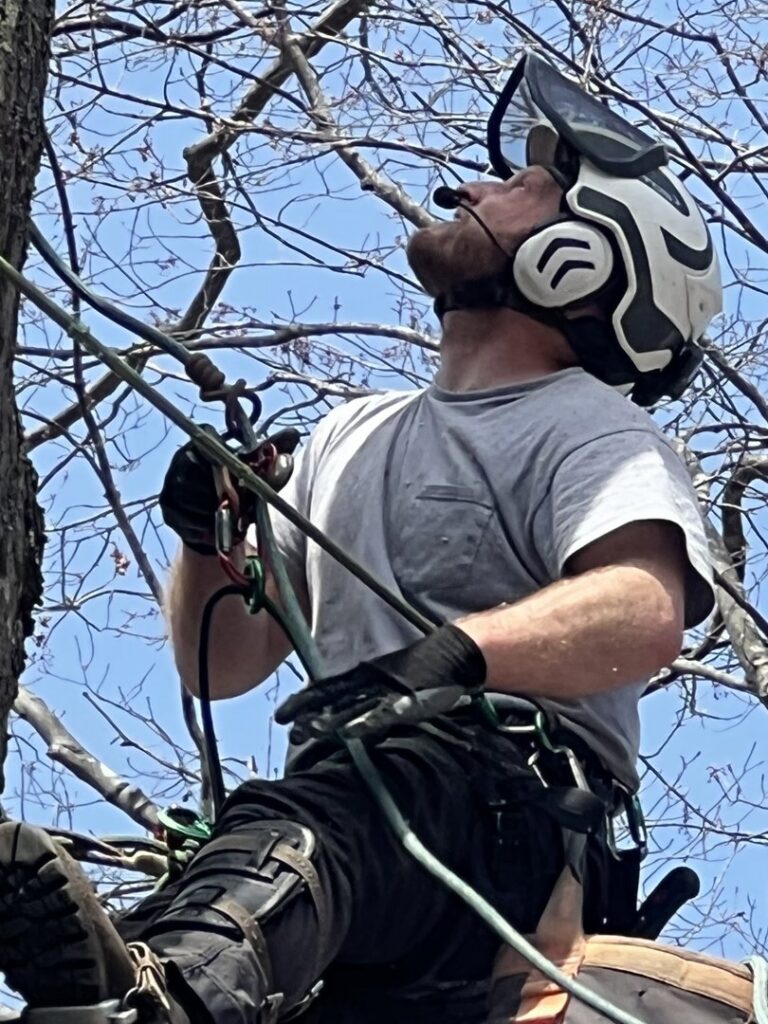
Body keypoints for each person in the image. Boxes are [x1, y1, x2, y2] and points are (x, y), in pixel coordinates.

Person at [0, 56, 721, 1024]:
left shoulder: (589, 426)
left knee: (320, 817)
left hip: (503, 814)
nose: (467, 186)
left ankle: (151, 996)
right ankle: (145, 973)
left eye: (520, 186)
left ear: (580, 261)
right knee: (278, 843)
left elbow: (643, 608)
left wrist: (461, 654)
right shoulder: (351, 431)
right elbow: (220, 668)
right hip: (356, 846)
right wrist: (209, 539)